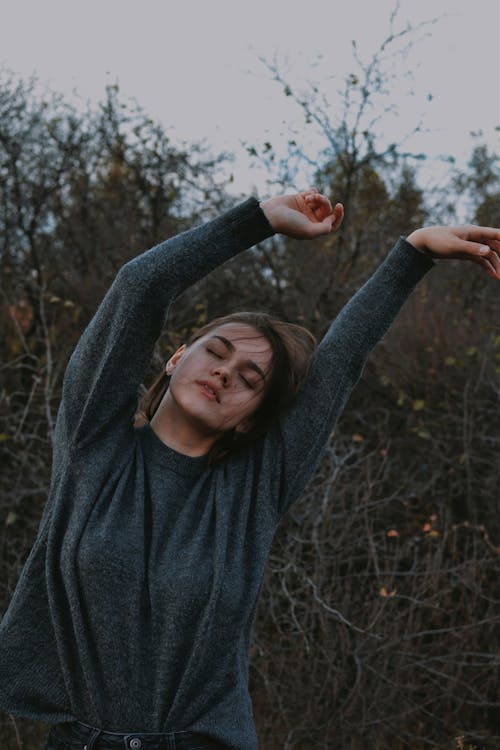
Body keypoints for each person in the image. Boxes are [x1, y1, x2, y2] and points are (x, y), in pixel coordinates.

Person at [0, 189, 498, 750]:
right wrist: (256, 220)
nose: (225, 374)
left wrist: (413, 251)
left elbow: (341, 362)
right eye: (215, 353)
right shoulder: (94, 447)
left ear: (249, 420)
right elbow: (139, 289)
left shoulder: (251, 491)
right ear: (176, 356)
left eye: (249, 379)